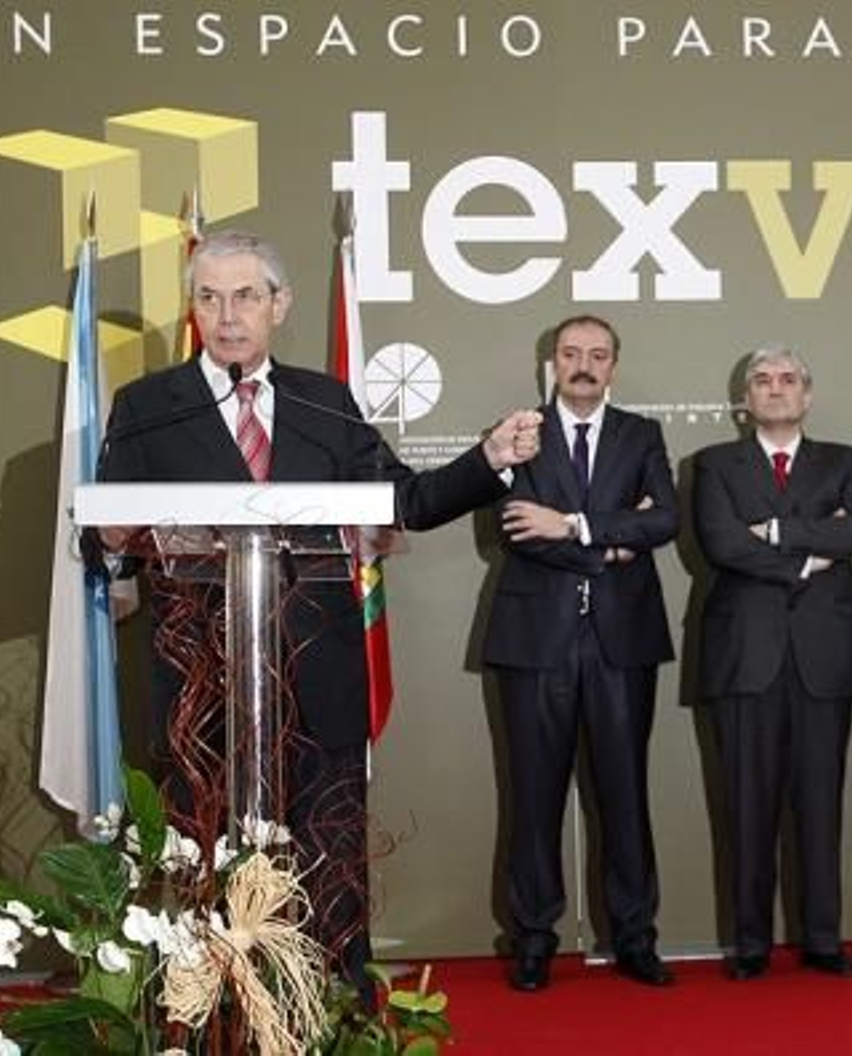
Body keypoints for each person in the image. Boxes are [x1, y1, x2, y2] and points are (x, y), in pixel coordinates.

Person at [98, 229, 540, 991]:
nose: (226, 314)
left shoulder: (322, 400)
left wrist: (489, 460)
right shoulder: (148, 407)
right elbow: (111, 527)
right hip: (200, 674)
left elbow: (404, 498)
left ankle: (337, 995)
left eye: (245, 296)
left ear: (280, 305)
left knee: (329, 845)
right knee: (199, 847)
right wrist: (108, 547)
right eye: (209, 297)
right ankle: (208, 1005)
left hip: (317, 668)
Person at [483, 314, 680, 992]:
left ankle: (635, 938)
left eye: (598, 356)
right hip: (536, 642)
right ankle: (534, 939)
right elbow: (514, 530)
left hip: (622, 643)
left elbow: (666, 520)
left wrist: (571, 525)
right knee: (534, 797)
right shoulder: (518, 434)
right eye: (571, 354)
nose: (584, 365)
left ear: (614, 367)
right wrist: (612, 549)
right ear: (553, 362)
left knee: (626, 795)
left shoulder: (642, 435)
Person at [693, 346, 852, 981]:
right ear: (745, 397)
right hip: (746, 656)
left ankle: (824, 938)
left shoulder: (844, 460)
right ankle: (750, 945)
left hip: (825, 655)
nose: (775, 389)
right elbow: (721, 541)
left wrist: (769, 530)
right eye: (762, 381)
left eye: (788, 379)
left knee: (823, 804)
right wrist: (803, 551)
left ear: (808, 395)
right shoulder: (713, 464)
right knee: (746, 806)